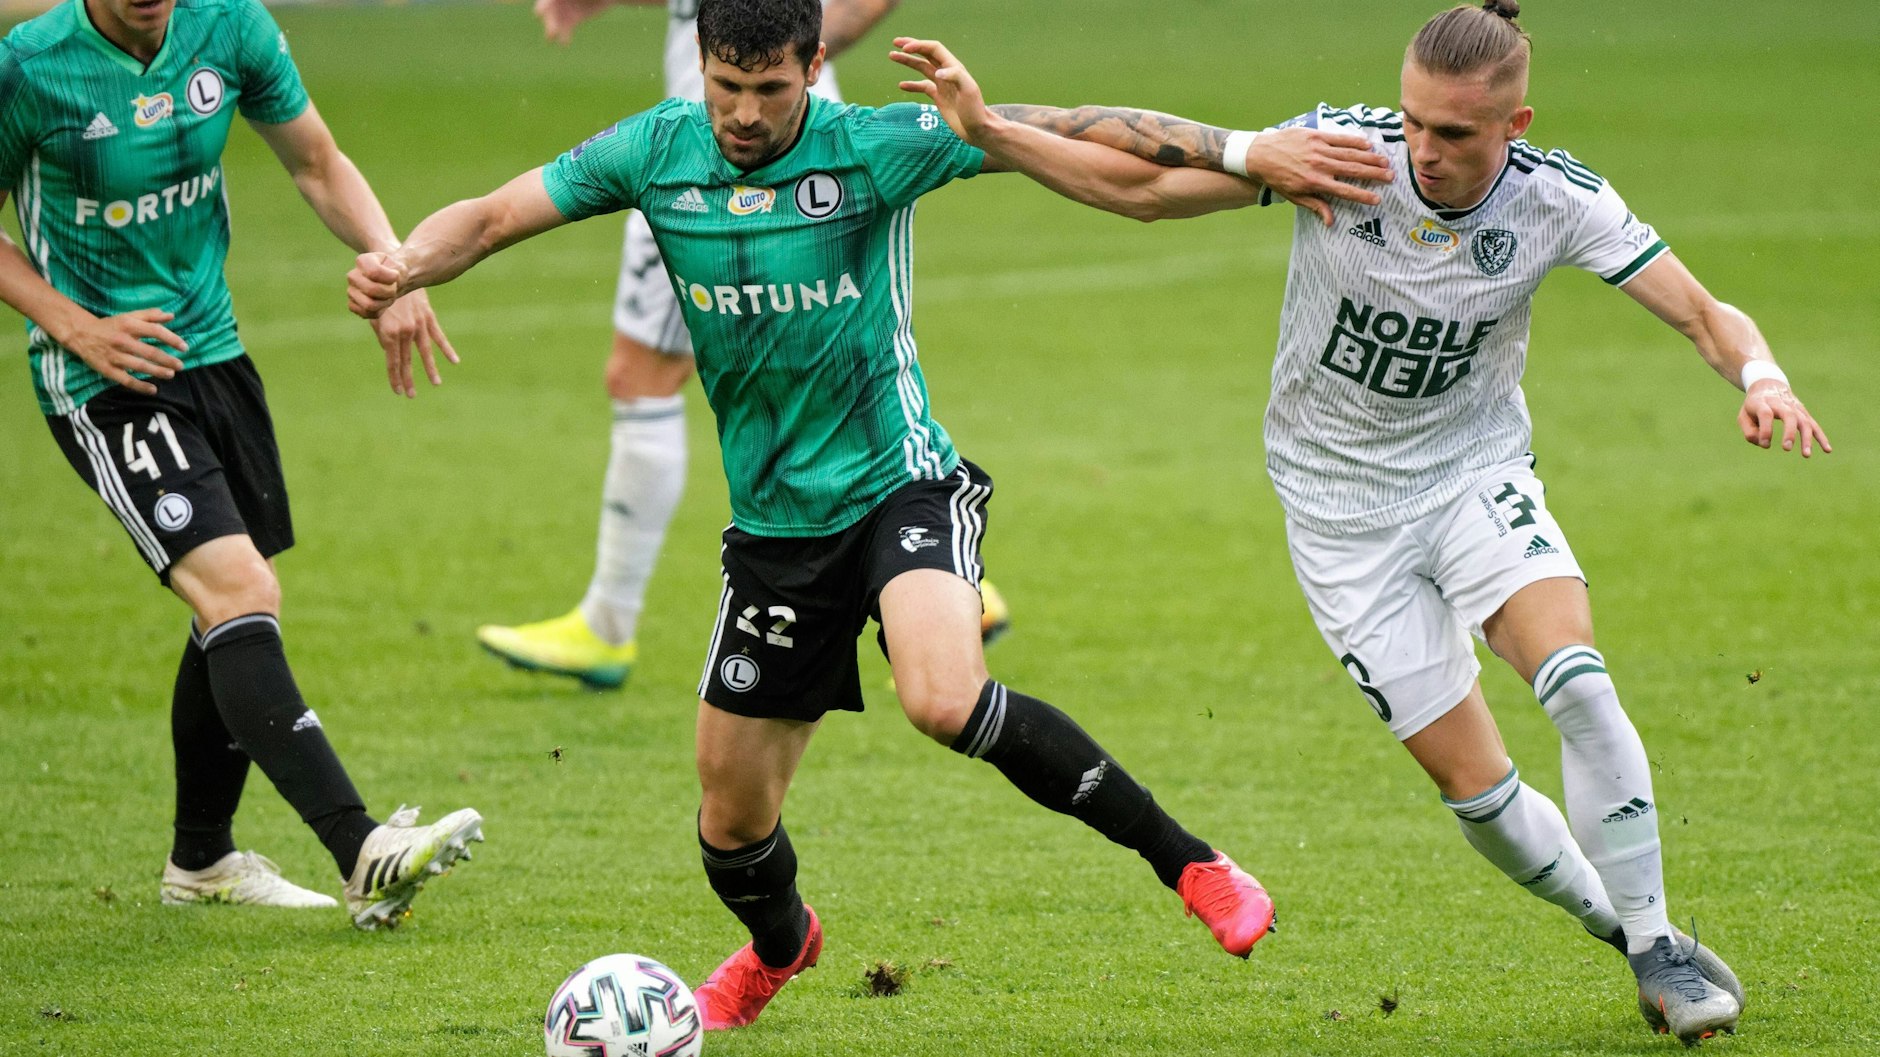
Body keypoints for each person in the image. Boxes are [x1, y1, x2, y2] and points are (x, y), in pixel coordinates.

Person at [347, 0, 1389, 1028]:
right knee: (730, 824)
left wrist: (1250, 155)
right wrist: (404, 261)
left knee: (942, 698)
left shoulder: (876, 147)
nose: (744, 114)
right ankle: (779, 947)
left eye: (768, 89)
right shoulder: (655, 149)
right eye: (724, 86)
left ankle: (1192, 864)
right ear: (700, 65)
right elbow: (486, 218)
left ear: (812, 64)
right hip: (772, 534)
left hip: (900, 487)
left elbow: (1080, 136)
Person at [890, 0, 1832, 1044]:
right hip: (1336, 516)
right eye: (1412, 120)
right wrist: (995, 134)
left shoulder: (1556, 201)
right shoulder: (1343, 158)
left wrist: (1761, 376)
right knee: (1473, 789)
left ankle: (1661, 946)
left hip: (1471, 477)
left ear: (1513, 126)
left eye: (1454, 134)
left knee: (1572, 675)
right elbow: (1150, 188)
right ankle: (1618, 930)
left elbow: (1702, 310)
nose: (1421, 150)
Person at [0, 0, 483, 929]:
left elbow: (317, 162)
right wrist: (72, 324)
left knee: (232, 603)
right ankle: (362, 848)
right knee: (237, 589)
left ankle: (202, 858)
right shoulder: (31, 68)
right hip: (103, 378)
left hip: (214, 355)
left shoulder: (232, 28)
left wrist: (393, 267)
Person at [476, 0, 1022, 692]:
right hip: (707, 147)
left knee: (652, 372)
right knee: (685, 370)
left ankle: (608, 623)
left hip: (726, 171)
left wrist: (801, 46)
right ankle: (929, 569)